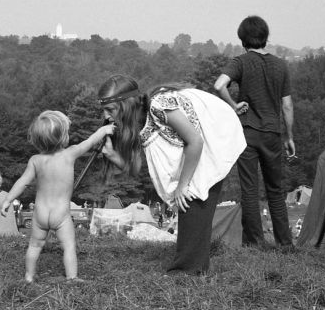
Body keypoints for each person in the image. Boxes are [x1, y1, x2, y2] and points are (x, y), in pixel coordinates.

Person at [98, 75, 246, 274]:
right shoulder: (137, 121)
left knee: (190, 196)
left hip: (215, 132)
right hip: (195, 145)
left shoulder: (159, 105)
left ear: (126, 104)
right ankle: (192, 267)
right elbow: (136, 169)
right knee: (189, 201)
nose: (106, 116)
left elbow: (195, 141)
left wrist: (182, 185)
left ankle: (186, 271)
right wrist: (113, 155)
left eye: (110, 109)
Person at [1, 110, 115, 283]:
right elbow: (91, 141)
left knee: (34, 245)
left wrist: (8, 199)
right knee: (68, 245)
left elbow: (22, 181)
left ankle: (29, 276)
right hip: (60, 214)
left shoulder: (35, 160)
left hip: (40, 213)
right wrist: (105, 130)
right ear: (63, 137)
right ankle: (72, 277)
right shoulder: (70, 153)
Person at [213, 15, 295, 250]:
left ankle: (254, 244)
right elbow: (287, 105)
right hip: (272, 133)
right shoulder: (281, 65)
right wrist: (289, 136)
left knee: (249, 190)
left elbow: (219, 85)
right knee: (276, 190)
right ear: (266, 39)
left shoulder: (240, 62)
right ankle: (285, 244)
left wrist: (234, 105)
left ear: (242, 40)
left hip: (247, 133)